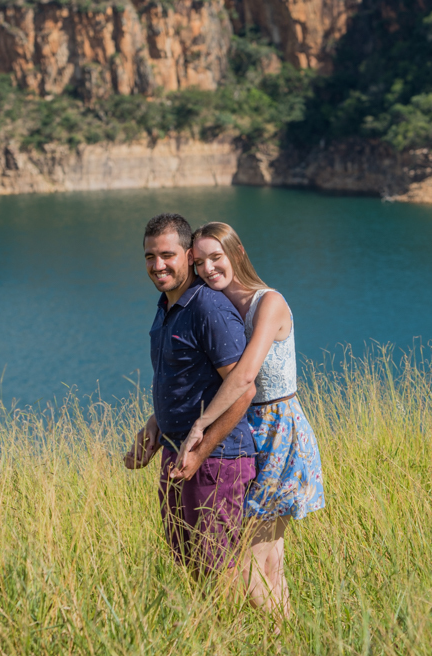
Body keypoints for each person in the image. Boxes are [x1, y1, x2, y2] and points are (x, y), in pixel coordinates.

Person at [172, 222, 326, 615]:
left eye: (216, 258)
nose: (208, 269)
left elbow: (243, 375)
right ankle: (282, 638)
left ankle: (274, 636)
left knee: (248, 560)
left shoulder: (268, 302)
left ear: (237, 254)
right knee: (270, 557)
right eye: (200, 262)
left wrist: (201, 423)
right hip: (245, 430)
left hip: (278, 430)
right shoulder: (222, 306)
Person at [123, 213, 258, 577]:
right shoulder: (167, 306)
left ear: (188, 255)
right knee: (190, 566)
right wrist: (154, 425)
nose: (157, 265)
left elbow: (243, 389)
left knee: (217, 569)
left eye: (167, 255)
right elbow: (185, 379)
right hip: (176, 454)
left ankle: (245, 634)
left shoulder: (207, 307)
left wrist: (201, 451)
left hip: (218, 460)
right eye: (150, 256)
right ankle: (213, 634)